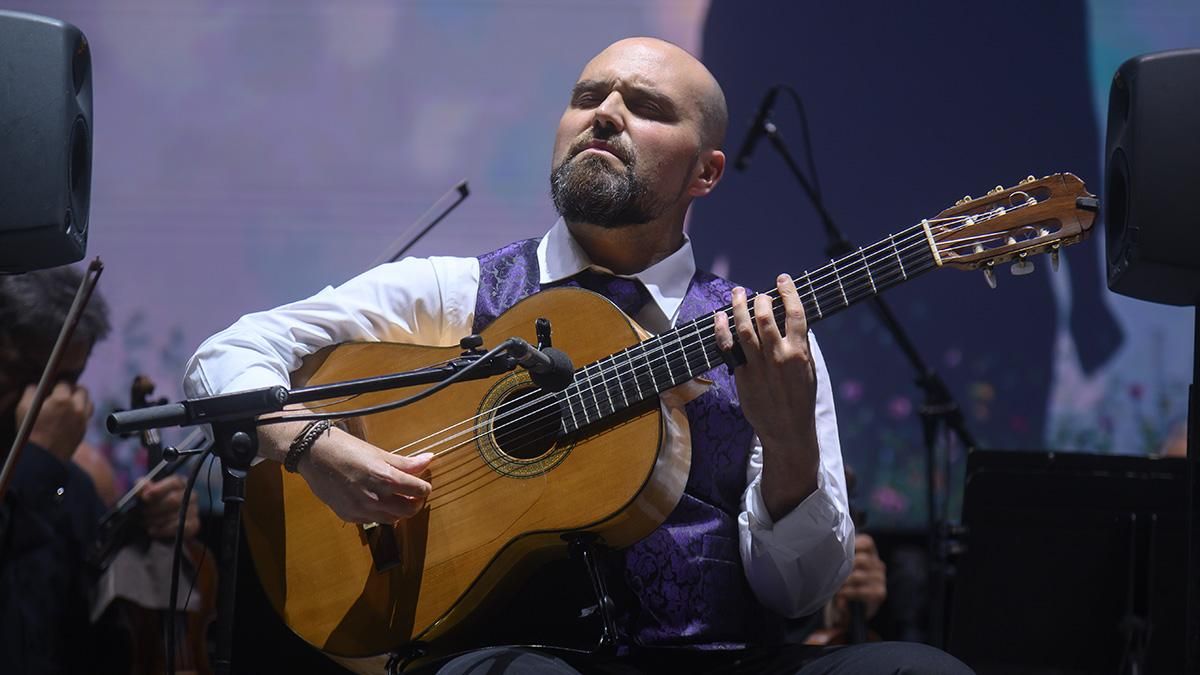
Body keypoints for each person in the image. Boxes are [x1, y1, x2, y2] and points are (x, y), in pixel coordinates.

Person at [184, 37, 970, 673]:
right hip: (499, 655)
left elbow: (798, 591)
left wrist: (791, 442)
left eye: (647, 107)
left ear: (707, 172)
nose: (606, 114)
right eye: (588, 97)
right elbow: (231, 351)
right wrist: (312, 444)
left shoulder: (767, 337)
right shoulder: (456, 292)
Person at [0, 266, 201, 674]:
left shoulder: (74, 481)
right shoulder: (49, 463)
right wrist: (37, 461)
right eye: (28, 373)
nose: (49, 399)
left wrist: (156, 528)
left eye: (67, 379)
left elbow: (103, 615)